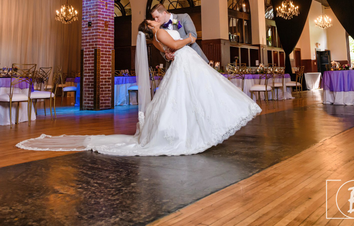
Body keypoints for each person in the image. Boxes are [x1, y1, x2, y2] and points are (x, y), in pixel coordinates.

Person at [17, 19, 261, 156]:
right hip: (185, 61)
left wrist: (171, 52)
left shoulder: (157, 37)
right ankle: (190, 132)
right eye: (152, 20)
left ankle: (199, 127)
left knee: (193, 95)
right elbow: (175, 45)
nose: (155, 19)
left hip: (185, 63)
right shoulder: (160, 33)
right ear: (150, 26)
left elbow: (168, 51)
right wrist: (189, 39)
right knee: (190, 96)